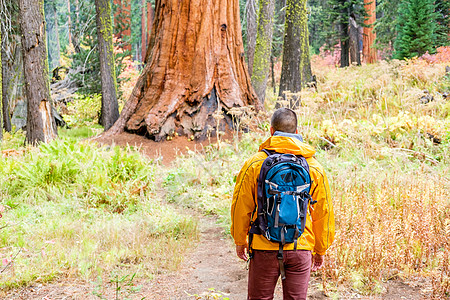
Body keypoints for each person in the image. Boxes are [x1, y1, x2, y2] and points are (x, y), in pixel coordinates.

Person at [230, 108, 335, 300]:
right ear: (297, 133)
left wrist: (240, 240)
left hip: (263, 246)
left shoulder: (254, 164)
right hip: (300, 246)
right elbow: (323, 212)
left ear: (271, 131)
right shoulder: (314, 167)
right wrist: (320, 249)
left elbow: (240, 206)